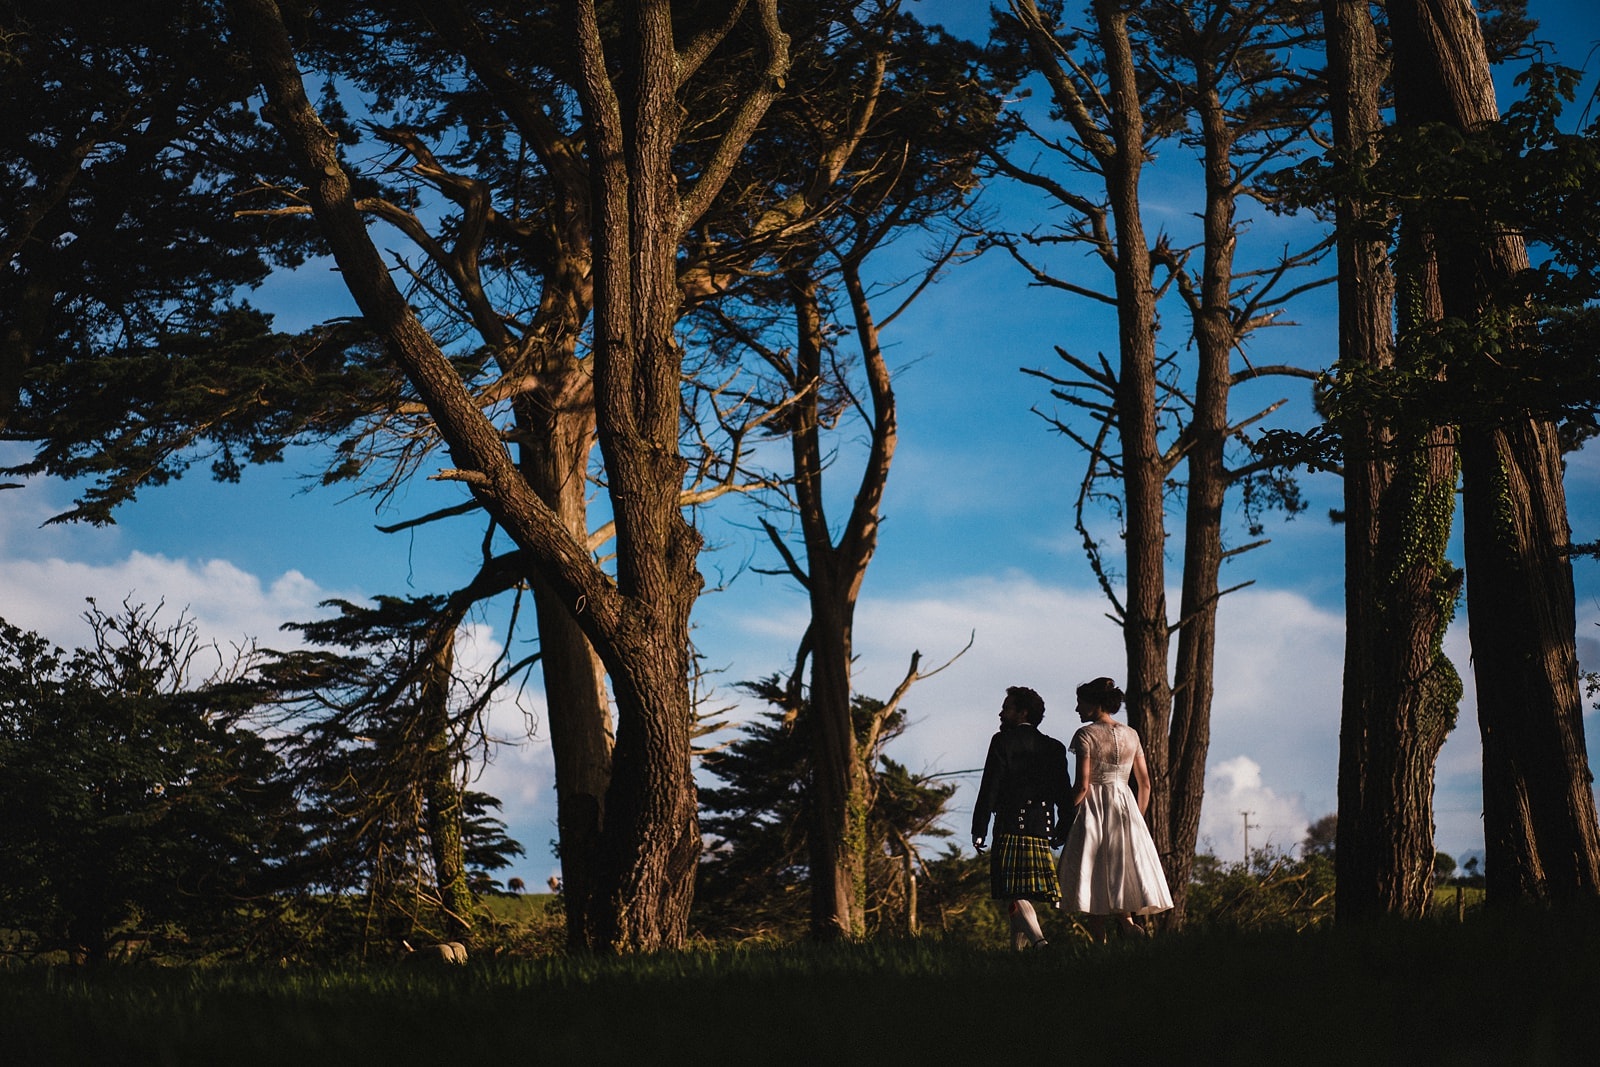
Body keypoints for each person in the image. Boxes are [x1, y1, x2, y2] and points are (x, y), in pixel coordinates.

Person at [1056, 676, 1173, 940]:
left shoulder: (1086, 735)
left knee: (1094, 869)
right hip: (1125, 808)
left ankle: (1100, 943)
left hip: (1095, 808)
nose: (1077, 709)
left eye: (1080, 703)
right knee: (1119, 868)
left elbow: (1083, 785)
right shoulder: (1131, 734)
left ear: (1095, 703)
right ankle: (1129, 926)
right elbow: (1145, 784)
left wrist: (1065, 814)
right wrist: (1137, 819)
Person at [971, 685, 1073, 950]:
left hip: (1010, 825)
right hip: (1042, 827)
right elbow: (1064, 792)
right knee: (1019, 895)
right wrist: (1063, 828)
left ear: (1022, 712)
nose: (1001, 713)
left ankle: (1039, 943)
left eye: (1006, 708)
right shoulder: (1054, 747)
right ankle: (1016, 955)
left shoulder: (1002, 741)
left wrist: (979, 828)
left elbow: (990, 787)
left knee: (1016, 893)